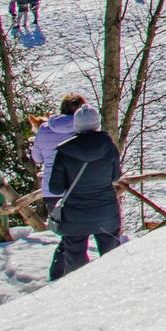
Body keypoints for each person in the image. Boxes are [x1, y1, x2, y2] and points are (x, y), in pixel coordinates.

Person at [48, 103, 123, 279]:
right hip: (106, 210)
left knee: (75, 257)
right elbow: (115, 177)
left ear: (76, 125)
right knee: (112, 256)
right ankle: (115, 283)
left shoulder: (65, 152)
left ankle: (78, 291)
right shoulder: (109, 147)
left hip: (75, 215)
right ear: (97, 123)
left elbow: (55, 187)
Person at [29, 94, 87, 281]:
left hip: (51, 191)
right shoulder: (83, 128)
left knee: (71, 234)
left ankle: (63, 273)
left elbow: (37, 159)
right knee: (77, 235)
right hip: (76, 187)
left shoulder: (44, 130)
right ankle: (67, 275)